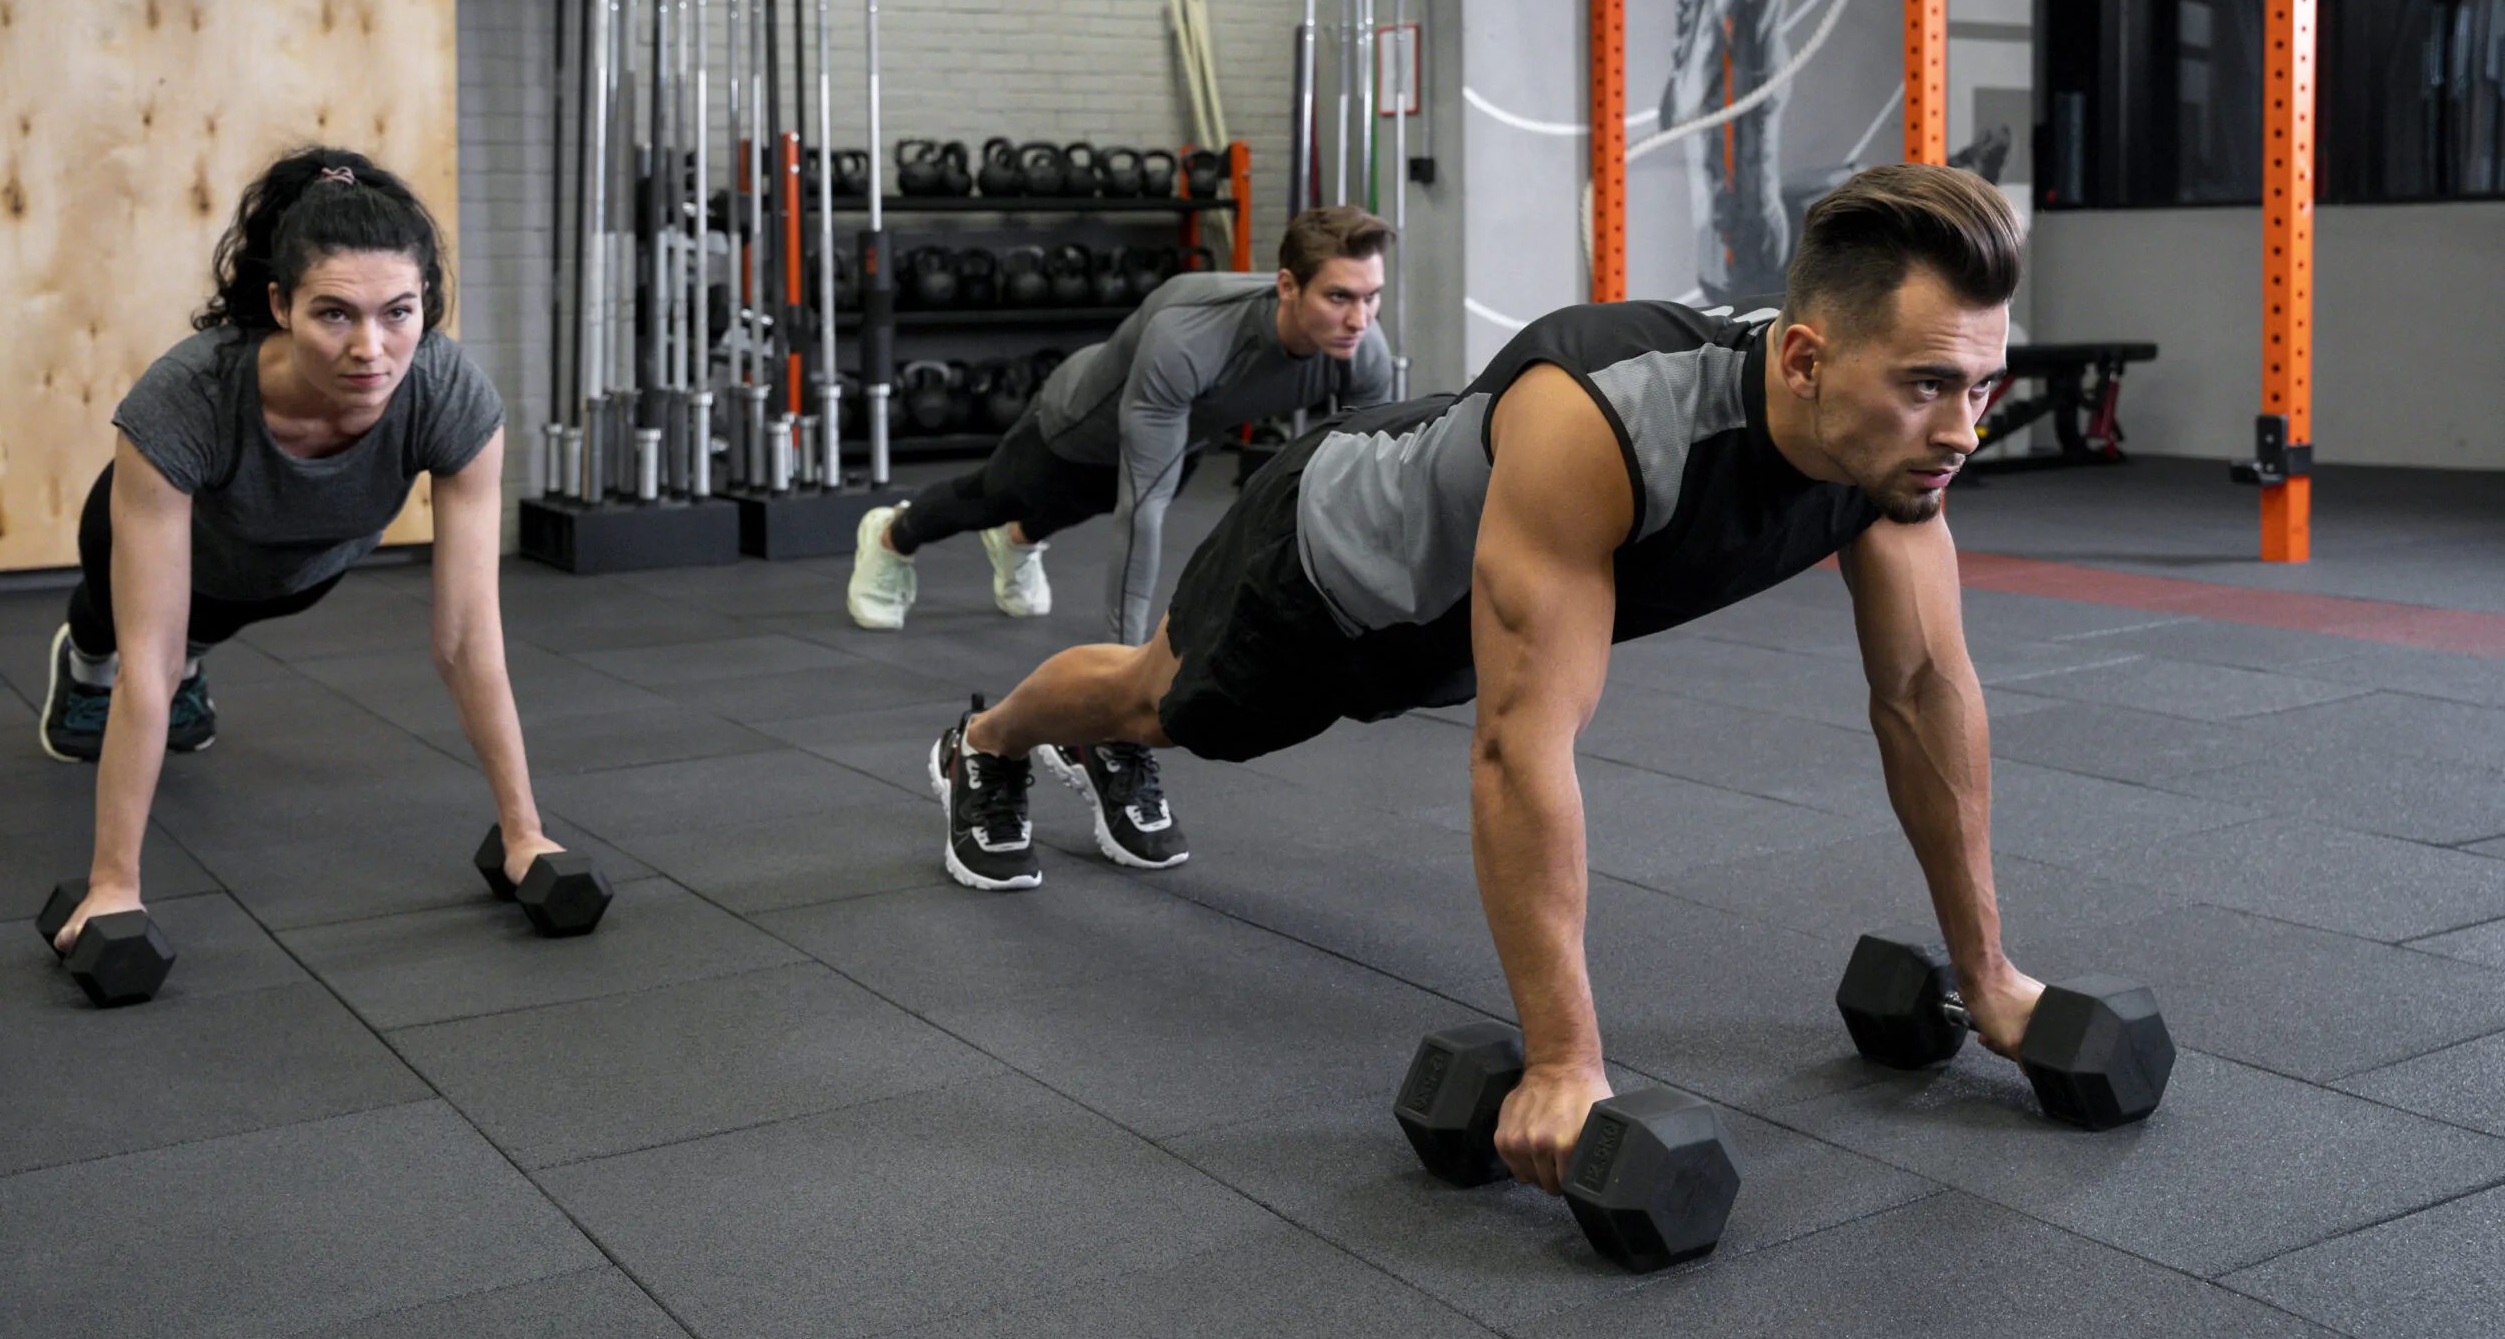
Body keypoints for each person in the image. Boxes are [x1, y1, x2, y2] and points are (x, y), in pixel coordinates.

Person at [925, 162, 2050, 1193]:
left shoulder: (1890, 448)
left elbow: (1922, 693)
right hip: (1329, 570)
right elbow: (1521, 746)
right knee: (1157, 703)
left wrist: (1989, 974)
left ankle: (1052, 741)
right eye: (1931, 385)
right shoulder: (1603, 419)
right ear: (1804, 360)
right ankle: (988, 743)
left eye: (1981, 389)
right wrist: (1563, 1064)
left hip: (1462, 613)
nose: (1963, 430)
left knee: (1198, 704)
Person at [38, 146, 574, 953]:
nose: (371, 348)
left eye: (398, 312)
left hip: (300, 565)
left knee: (209, 627)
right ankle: (81, 659)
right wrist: (114, 883)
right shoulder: (187, 397)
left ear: (426, 302)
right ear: (280, 305)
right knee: (129, 638)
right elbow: (146, 663)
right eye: (335, 314)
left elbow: (467, 637)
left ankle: (197, 658)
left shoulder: (449, 394)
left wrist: (525, 832)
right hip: (162, 545)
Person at [850, 205, 1397, 869]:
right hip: (1073, 428)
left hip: (1179, 433)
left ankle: (1019, 541)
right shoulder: (1189, 335)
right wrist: (1119, 693)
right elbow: (1141, 513)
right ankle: (892, 536)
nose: (1360, 318)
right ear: (1288, 286)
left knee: (1075, 508)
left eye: (1371, 296)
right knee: (991, 497)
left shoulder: (1360, 353)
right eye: (1339, 297)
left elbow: (1362, 486)